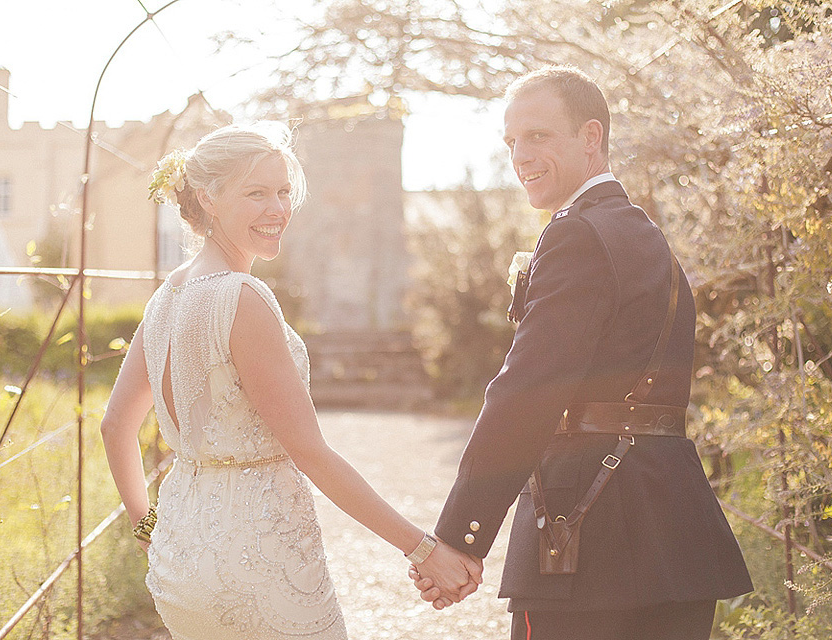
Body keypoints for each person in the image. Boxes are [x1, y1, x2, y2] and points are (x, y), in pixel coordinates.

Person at [100, 122, 482, 640]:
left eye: (283, 191)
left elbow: (115, 425)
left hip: (180, 560)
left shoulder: (166, 297)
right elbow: (312, 454)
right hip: (259, 561)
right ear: (208, 199)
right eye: (256, 193)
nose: (277, 208)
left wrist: (145, 524)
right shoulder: (242, 297)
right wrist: (423, 549)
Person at [410, 67, 753, 639]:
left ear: (590, 137)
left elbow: (528, 391)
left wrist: (459, 537)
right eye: (511, 141)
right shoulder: (646, 235)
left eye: (538, 136)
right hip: (674, 531)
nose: (520, 155)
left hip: (584, 538)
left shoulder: (576, 234)